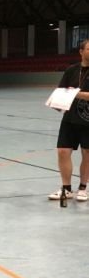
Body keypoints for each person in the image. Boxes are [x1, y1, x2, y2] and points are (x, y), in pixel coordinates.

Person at [48, 39, 89, 202]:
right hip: (70, 119)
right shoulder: (72, 70)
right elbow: (61, 90)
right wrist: (57, 102)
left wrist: (76, 94)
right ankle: (66, 189)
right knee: (63, 152)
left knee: (87, 154)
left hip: (88, 120)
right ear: (81, 51)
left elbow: (75, 93)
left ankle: (83, 188)